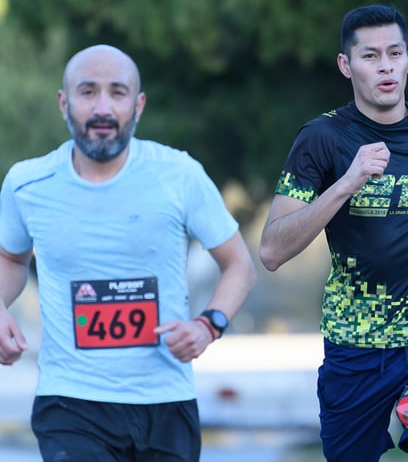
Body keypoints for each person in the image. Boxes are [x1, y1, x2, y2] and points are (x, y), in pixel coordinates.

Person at [0, 44, 257, 462]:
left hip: (166, 401)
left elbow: (239, 267)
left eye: (117, 93)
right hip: (70, 401)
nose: (103, 107)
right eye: (87, 92)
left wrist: (208, 326)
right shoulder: (27, 184)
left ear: (138, 105)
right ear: (64, 103)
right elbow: (10, 259)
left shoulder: (179, 175)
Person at [259, 4, 408, 462]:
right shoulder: (322, 139)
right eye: (370, 56)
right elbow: (271, 249)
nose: (384, 65)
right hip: (354, 345)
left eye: (393, 53)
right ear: (346, 66)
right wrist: (346, 183)